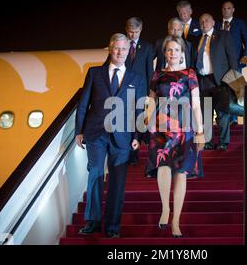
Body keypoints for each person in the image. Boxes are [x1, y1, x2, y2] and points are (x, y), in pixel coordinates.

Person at [75, 33, 144, 239]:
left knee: (117, 183)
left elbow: (138, 110)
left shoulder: (136, 79)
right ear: (110, 49)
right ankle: (93, 222)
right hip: (96, 133)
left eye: (124, 49)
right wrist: (79, 130)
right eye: (116, 48)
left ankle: (113, 225)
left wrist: (136, 136)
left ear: (128, 51)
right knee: (95, 174)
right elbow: (83, 104)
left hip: (122, 137)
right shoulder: (94, 73)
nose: (120, 52)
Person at [145, 36, 205, 238]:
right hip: (161, 127)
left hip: (184, 129)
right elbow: (151, 101)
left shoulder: (190, 74)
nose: (172, 54)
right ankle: (165, 209)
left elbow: (196, 104)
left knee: (180, 173)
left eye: (176, 50)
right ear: (165, 53)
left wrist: (200, 131)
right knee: (162, 167)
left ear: (182, 52)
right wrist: (148, 119)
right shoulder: (157, 75)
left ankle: (176, 221)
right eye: (169, 50)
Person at [195, 13, 237, 151]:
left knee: (222, 112)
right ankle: (207, 141)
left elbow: (233, 59)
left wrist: (231, 80)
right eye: (201, 21)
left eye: (206, 20)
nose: (203, 23)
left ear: (213, 22)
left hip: (220, 80)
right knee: (206, 112)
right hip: (203, 80)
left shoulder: (223, 36)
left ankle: (223, 142)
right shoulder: (197, 39)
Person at [125, 17, 154, 165]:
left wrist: (151, 92)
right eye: (130, 32)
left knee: (138, 121)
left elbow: (150, 70)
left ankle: (139, 147)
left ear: (141, 30)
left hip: (141, 90)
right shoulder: (122, 45)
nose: (133, 35)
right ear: (126, 30)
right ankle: (132, 154)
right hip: (123, 91)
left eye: (136, 32)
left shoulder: (148, 47)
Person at [216, 1, 247, 124]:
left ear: (233, 10)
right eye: (224, 8)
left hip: (235, 62)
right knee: (223, 90)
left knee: (236, 89)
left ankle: (234, 118)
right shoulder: (217, 25)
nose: (226, 10)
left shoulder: (239, 23)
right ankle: (225, 117)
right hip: (220, 64)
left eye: (229, 8)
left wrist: (246, 55)